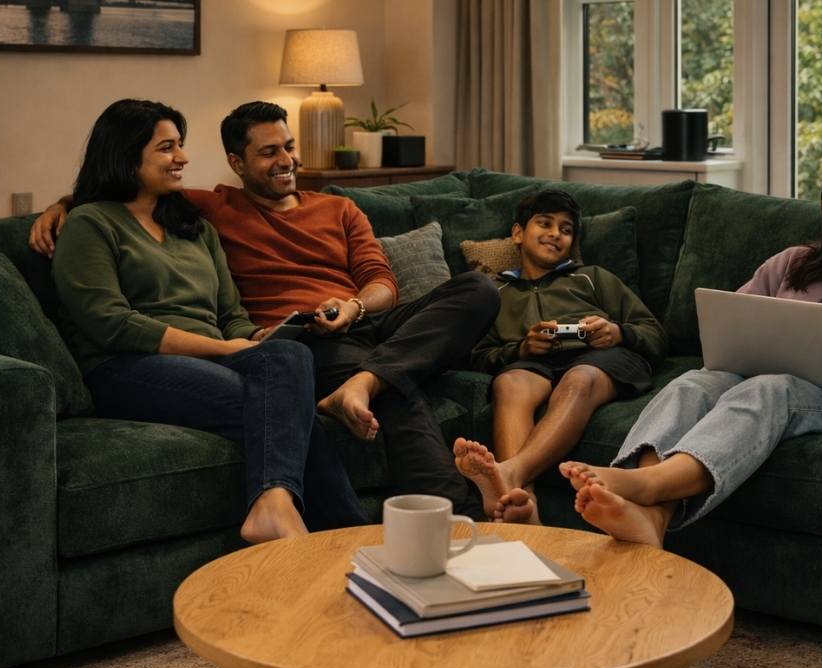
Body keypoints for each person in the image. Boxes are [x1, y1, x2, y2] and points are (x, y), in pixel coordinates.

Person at [32, 101, 499, 520]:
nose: (287, 161)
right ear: (237, 163)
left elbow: (371, 285)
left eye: (289, 147)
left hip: (354, 323)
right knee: (324, 393)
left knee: (475, 290)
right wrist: (62, 205)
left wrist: (334, 312)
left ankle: (363, 385)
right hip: (237, 352)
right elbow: (109, 311)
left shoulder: (204, 224)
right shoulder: (180, 212)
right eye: (167, 147)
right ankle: (414, 525)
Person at [558, 152, 822, 548]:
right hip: (756, 374)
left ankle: (644, 485)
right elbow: (735, 317)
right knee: (693, 383)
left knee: (771, 389)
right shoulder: (793, 262)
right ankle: (652, 515)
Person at [50, 99, 368, 544]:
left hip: (209, 362)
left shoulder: (194, 227)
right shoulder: (90, 223)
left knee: (289, 355)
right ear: (126, 155)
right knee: (288, 413)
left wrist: (258, 338)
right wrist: (229, 348)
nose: (181, 158)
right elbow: (111, 324)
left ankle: (279, 509)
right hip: (122, 367)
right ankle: (353, 543)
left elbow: (230, 316)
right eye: (166, 148)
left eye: (180, 145)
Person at [453, 189, 667, 524]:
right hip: (533, 362)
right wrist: (521, 349)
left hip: (602, 356)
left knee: (578, 378)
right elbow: (480, 356)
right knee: (508, 383)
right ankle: (526, 509)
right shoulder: (496, 293)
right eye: (545, 223)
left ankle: (510, 475)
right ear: (518, 233)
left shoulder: (592, 277)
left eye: (566, 230)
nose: (556, 233)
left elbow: (654, 332)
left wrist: (617, 332)